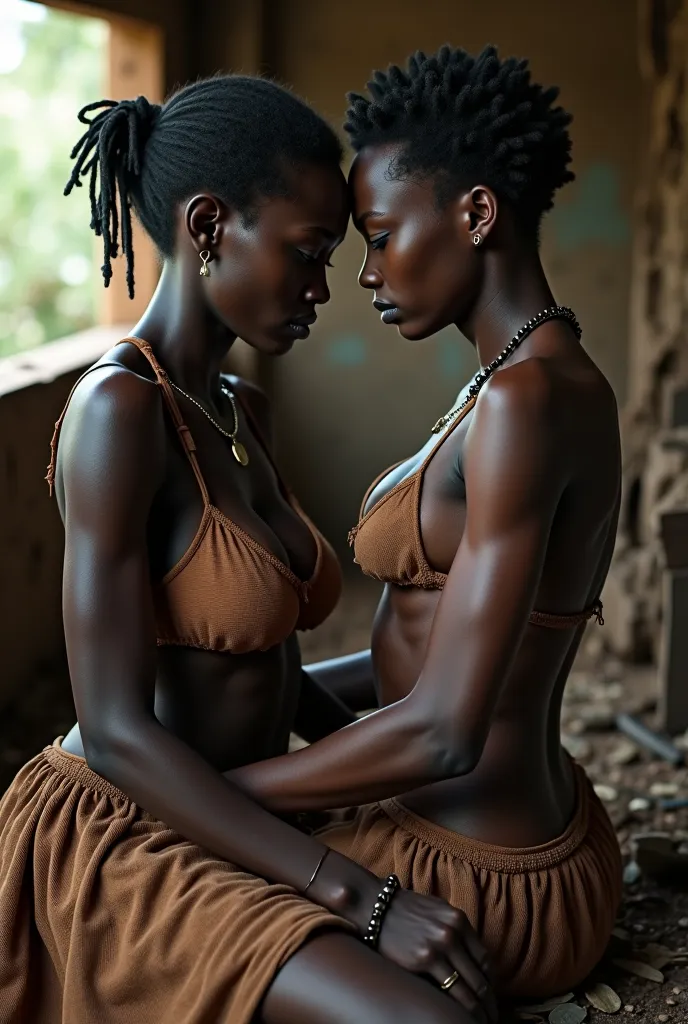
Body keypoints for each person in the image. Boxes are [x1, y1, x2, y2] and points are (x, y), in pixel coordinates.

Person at [0, 76, 497, 1024]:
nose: (325, 288)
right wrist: (364, 896)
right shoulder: (119, 414)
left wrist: (382, 760)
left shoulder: (238, 410)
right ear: (208, 226)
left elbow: (269, 665)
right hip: (134, 832)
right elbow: (113, 729)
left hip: (233, 814)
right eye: (306, 255)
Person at [226, 46, 624, 1001]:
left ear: (476, 214)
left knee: (142, 890)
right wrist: (269, 688)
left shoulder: (528, 402)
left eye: (379, 234)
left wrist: (222, 798)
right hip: (513, 832)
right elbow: (436, 653)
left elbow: (446, 727)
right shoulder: (514, 380)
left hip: (475, 876)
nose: (365, 273)